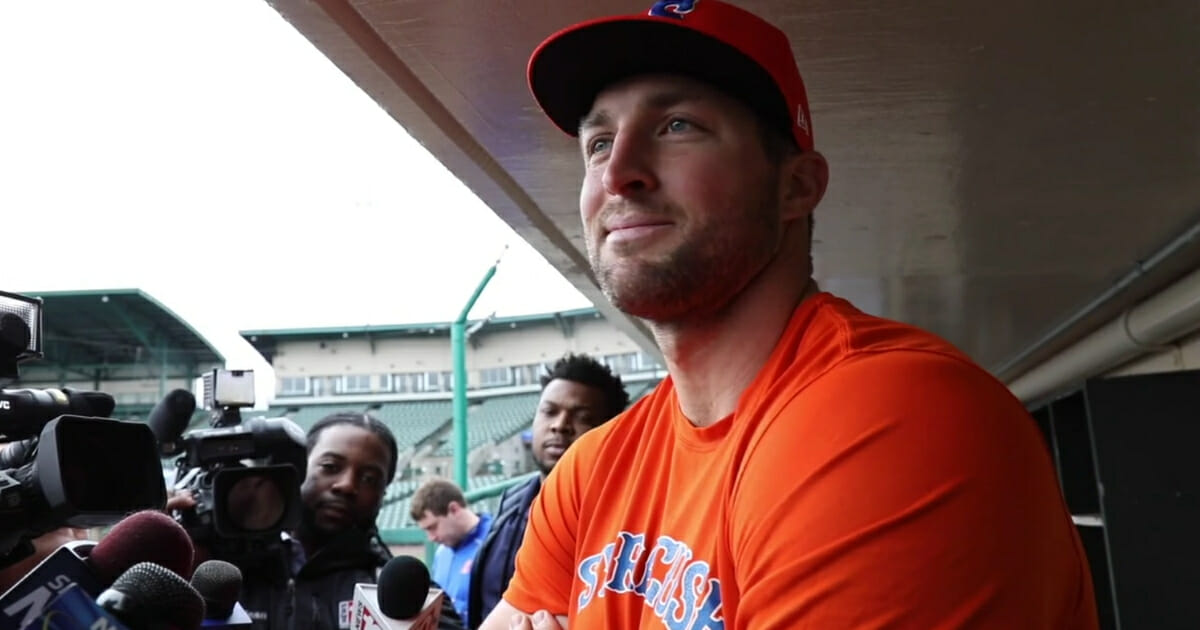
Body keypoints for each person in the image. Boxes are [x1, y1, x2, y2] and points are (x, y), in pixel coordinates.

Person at [483, 1, 1100, 628]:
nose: (619, 173)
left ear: (796, 187)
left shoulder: (891, 416)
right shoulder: (591, 473)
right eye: (600, 142)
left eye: (677, 126)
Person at [234, 412, 463, 630]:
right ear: (299, 469)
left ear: (382, 495)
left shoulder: (402, 591)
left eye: (369, 479)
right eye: (330, 467)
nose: (347, 485)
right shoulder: (230, 568)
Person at [466, 353, 629, 628]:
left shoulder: (624, 523)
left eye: (583, 417)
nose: (560, 425)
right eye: (549, 411)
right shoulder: (511, 503)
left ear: (608, 431)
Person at [411, 478, 492, 623]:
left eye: (433, 527)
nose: (431, 537)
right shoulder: (441, 553)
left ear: (454, 509)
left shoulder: (496, 541)